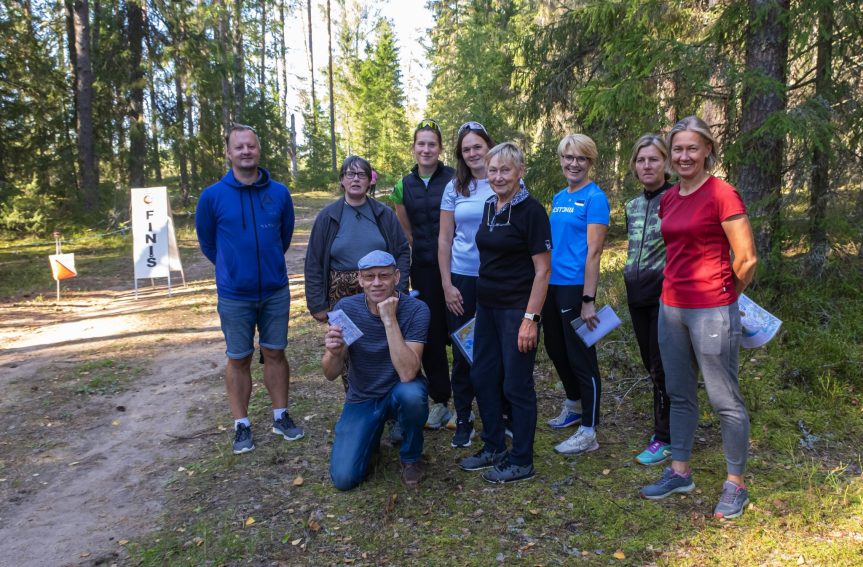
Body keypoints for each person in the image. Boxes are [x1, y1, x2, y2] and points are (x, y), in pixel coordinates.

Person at [638, 116, 757, 520]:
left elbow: (747, 258)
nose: (684, 156)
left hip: (711, 310)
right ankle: (680, 471)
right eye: (678, 149)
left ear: (707, 150)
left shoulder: (722, 193)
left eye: (692, 148)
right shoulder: (670, 198)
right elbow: (677, 251)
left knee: (724, 398)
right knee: (679, 392)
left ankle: (735, 484)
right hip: (670, 308)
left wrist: (726, 297)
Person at [195, 124, 303, 454]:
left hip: (274, 290)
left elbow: (283, 238)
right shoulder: (212, 197)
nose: (246, 151)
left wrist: (265, 267)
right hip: (234, 294)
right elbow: (208, 243)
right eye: (239, 147)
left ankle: (280, 415)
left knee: (275, 352)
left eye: (251, 146)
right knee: (238, 357)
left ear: (259, 150)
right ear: (228, 152)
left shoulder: (280, 194)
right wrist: (234, 270)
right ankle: (241, 424)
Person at [458, 142, 551, 484]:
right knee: (483, 376)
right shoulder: (488, 207)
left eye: (505, 170)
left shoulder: (532, 212)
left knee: (516, 384)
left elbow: (543, 272)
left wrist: (531, 319)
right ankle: (494, 445)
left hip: (517, 309)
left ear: (520, 172)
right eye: (493, 170)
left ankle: (522, 459)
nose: (498, 176)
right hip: (487, 307)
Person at [323, 250, 430, 490]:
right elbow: (330, 373)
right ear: (359, 279)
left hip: (399, 391)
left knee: (411, 394)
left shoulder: (416, 309)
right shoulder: (346, 309)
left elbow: (408, 372)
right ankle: (369, 442)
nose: (377, 282)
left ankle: (411, 458)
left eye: (384, 275)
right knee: (344, 479)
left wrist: (389, 319)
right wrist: (334, 352)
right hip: (363, 396)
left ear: (397, 276)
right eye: (369, 277)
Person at [542, 134, 610, 456]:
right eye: (568, 157)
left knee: (582, 358)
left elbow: (594, 252)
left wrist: (588, 299)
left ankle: (589, 430)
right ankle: (574, 406)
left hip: (575, 289)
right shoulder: (558, 196)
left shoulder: (595, 198)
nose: (573, 163)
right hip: (552, 286)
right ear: (561, 159)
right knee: (556, 349)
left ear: (590, 161)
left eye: (581, 158)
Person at [390, 119, 456, 430]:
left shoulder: (456, 179)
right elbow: (407, 234)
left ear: (440, 148)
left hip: (458, 270)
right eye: (421, 144)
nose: (426, 149)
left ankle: (468, 400)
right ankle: (441, 401)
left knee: (460, 331)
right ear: (414, 148)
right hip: (424, 271)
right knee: (429, 335)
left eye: (432, 143)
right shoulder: (403, 186)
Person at [438, 121, 495, 447]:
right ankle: (464, 418)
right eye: (467, 148)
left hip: (497, 280)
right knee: (463, 351)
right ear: (461, 154)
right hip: (462, 280)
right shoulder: (454, 188)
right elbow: (444, 240)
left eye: (478, 146)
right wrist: (447, 284)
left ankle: (498, 415)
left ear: (489, 147)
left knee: (495, 350)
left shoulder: (508, 179)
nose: (474, 153)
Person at [304, 155, 410, 324]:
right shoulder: (327, 217)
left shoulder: (385, 214)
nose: (355, 179)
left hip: (380, 290)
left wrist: (399, 290)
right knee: (344, 346)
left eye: (361, 175)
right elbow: (314, 261)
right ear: (342, 179)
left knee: (381, 342)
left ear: (370, 181)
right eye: (350, 174)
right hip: (340, 296)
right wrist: (317, 304)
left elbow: (403, 252)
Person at [625, 134, 673, 466]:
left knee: (662, 366)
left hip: (666, 296)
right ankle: (669, 425)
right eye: (641, 160)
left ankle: (665, 436)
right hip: (636, 295)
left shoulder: (677, 199)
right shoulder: (633, 205)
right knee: (650, 365)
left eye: (653, 159)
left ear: (666, 163)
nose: (647, 166)